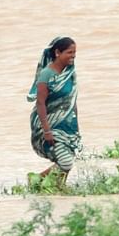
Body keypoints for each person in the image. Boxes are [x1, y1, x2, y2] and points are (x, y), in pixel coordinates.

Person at [28, 37, 81, 187]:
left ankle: (59, 187)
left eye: (75, 52)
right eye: (69, 52)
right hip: (48, 124)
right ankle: (36, 179)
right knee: (65, 162)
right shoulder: (47, 74)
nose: (73, 56)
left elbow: (72, 100)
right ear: (57, 52)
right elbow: (40, 102)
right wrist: (46, 130)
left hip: (67, 123)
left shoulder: (70, 73)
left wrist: (75, 126)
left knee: (66, 158)